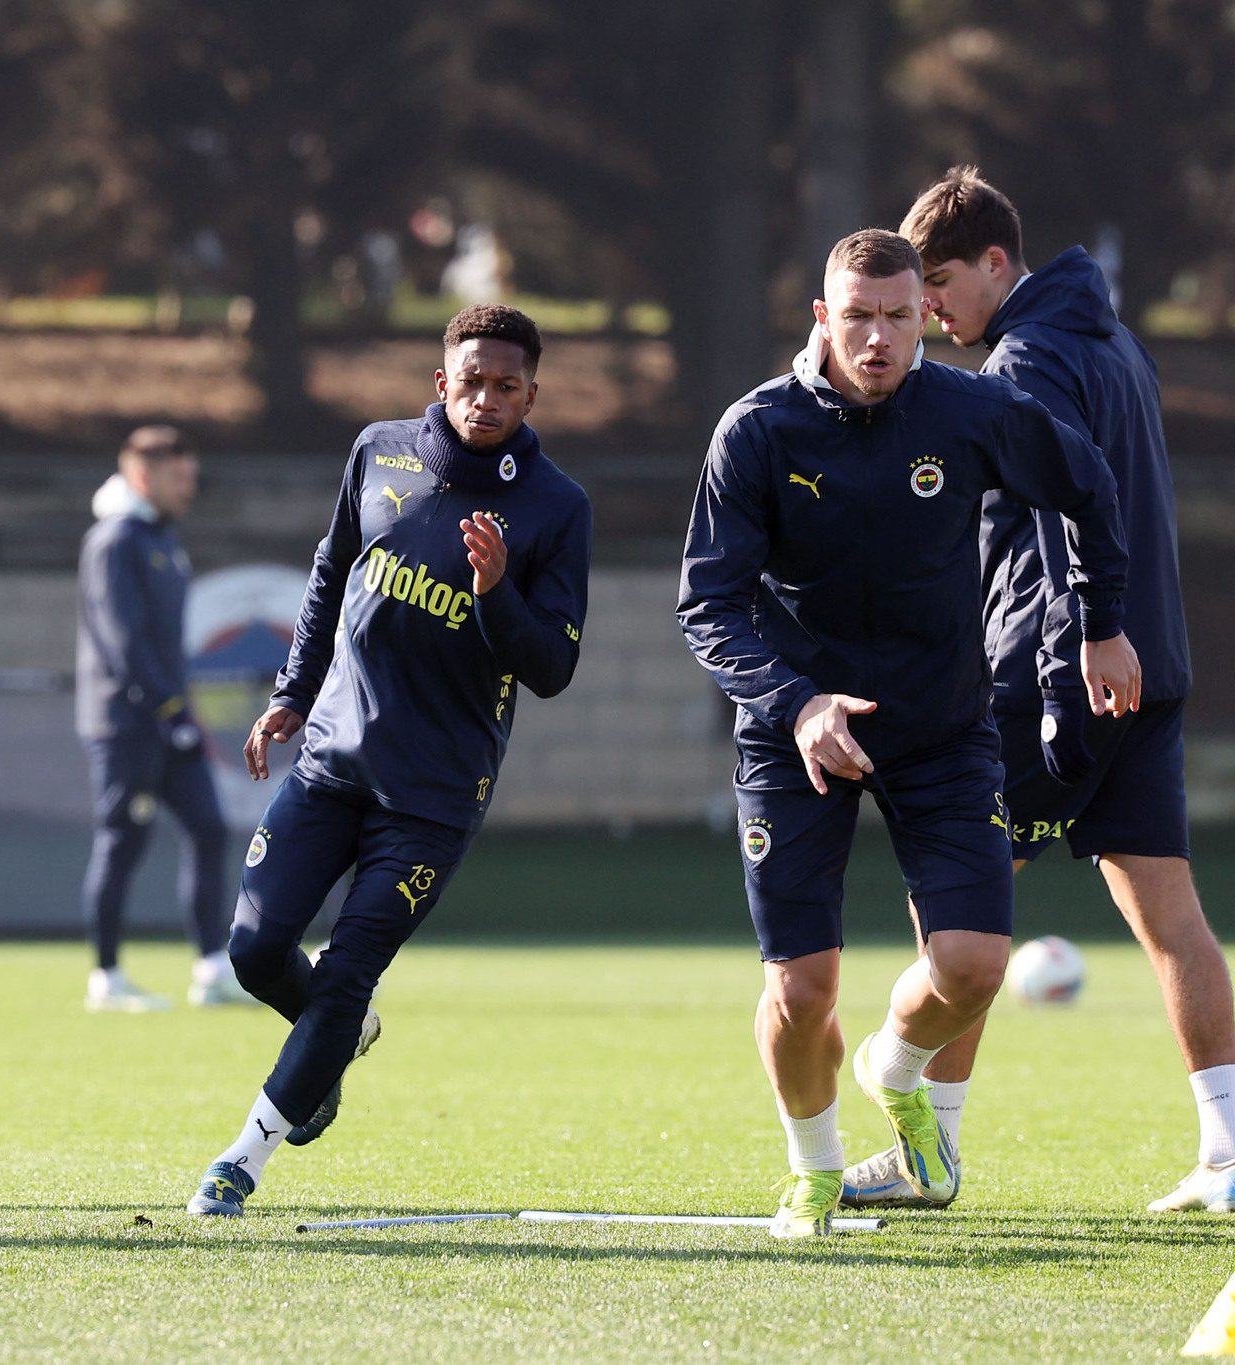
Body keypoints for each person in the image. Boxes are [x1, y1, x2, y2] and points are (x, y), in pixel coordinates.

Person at [678, 228, 1141, 1238]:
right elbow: (706, 606)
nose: (877, 338)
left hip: (939, 726)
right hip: (790, 731)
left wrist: (1100, 625)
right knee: (801, 991)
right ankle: (812, 1171)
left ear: (923, 317)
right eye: (857, 318)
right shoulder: (755, 432)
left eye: (896, 316)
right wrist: (796, 702)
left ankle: (891, 1067)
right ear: (820, 318)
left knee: (974, 966)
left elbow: (1086, 487)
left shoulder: (970, 411)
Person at [844, 168, 1227, 1213]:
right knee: (1172, 919)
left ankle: (928, 1149)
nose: (926, 308)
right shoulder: (1117, 344)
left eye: (936, 282)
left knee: (959, 911)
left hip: (1052, 674)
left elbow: (1067, 507)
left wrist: (1088, 640)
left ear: (995, 263)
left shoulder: (1027, 356)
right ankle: (1229, 1157)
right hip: (1147, 669)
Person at [185, 304, 591, 1217]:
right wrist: (291, 691)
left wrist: (494, 595)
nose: (486, 400)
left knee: (349, 965)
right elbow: (334, 571)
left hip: (436, 793)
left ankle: (242, 1157)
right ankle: (339, 1036)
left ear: (533, 392)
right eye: (471, 381)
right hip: (332, 758)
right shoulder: (378, 451)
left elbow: (554, 666)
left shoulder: (556, 506)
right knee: (254, 951)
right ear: (440, 382)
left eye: (507, 386)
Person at [76, 425, 244, 1011]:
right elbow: (122, 641)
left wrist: (180, 713)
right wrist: (167, 708)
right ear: (142, 477)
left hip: (172, 722)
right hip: (126, 725)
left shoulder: (164, 539)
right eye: (178, 479)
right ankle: (107, 977)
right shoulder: (114, 541)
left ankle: (211, 968)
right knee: (121, 841)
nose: (188, 489)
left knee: (209, 829)